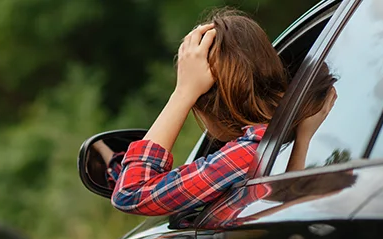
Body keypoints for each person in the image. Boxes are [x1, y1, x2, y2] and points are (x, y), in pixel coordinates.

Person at [106, 9, 337, 216]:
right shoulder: (274, 143)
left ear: (204, 105)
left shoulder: (248, 153)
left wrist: (183, 93)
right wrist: (303, 140)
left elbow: (131, 193)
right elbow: (286, 208)